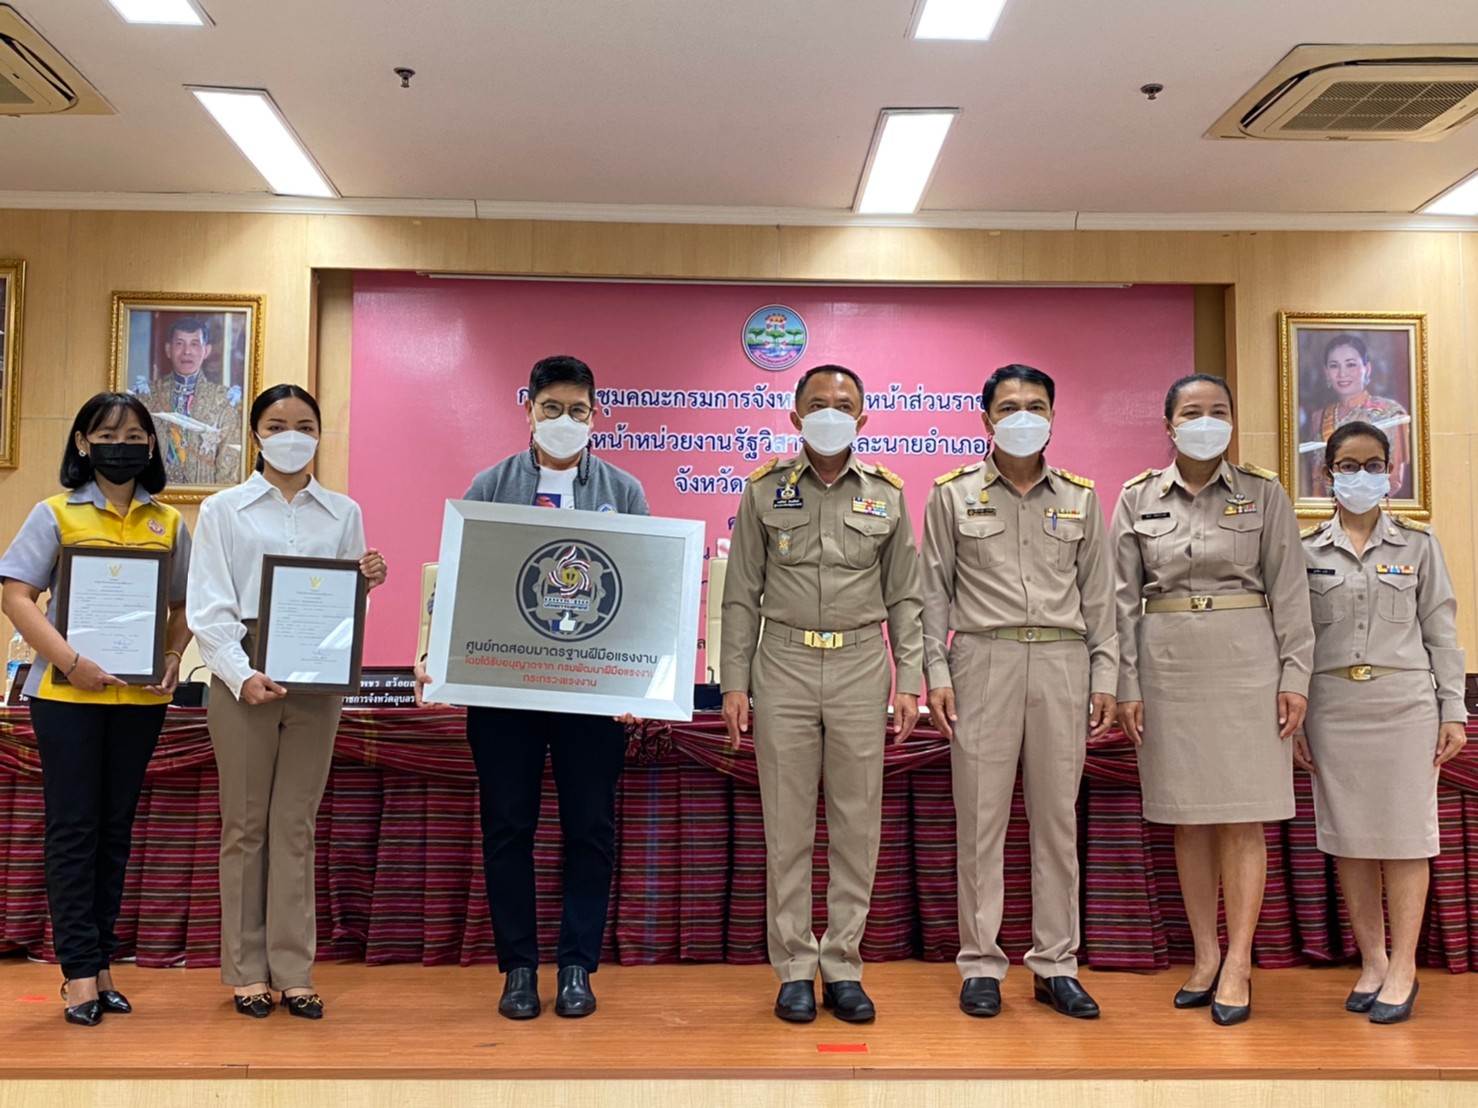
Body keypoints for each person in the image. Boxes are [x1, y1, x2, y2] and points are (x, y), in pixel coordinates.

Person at [414, 354, 648, 1020]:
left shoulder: (624, 491)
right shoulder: (490, 485)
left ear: (595, 416)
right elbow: (459, 586)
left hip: (591, 696)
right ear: (528, 410)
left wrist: (640, 681)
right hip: (505, 692)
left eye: (579, 410)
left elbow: (640, 593)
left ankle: (576, 967)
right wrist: (435, 653)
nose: (565, 421)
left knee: (590, 830)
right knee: (508, 828)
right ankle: (518, 968)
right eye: (552, 409)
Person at [721, 364, 924, 1025]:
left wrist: (911, 682)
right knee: (786, 826)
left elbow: (906, 598)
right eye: (818, 404)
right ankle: (793, 969)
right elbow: (740, 593)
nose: (831, 413)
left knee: (856, 824)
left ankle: (842, 965)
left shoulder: (888, 495)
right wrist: (735, 683)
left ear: (863, 420)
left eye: (844, 405)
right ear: (794, 416)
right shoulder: (764, 492)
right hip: (781, 663)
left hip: (863, 664)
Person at [1112, 373, 1313, 1026]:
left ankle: (1240, 961)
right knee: (1187, 817)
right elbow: (1116, 600)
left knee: (1242, 818)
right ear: (1169, 426)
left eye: (1218, 410)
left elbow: (1290, 591)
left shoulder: (1264, 492)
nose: (1206, 421)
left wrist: (1295, 676)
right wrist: (1125, 683)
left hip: (1245, 663)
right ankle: (1204, 955)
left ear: (1234, 420)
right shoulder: (1137, 496)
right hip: (1166, 661)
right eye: (1192, 412)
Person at [922, 364, 1117, 1021]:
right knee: (980, 823)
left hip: (1063, 661)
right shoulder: (951, 494)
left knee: (1057, 825)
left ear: (1054, 416)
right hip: (984, 658)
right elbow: (930, 597)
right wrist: (937, 676)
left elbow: (1103, 600)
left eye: (1036, 405)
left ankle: (1056, 964)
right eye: (1009, 406)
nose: (1023, 415)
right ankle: (981, 964)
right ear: (986, 420)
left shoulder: (1083, 498)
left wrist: (1107, 677)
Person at [187, 384, 386, 1020]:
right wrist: (240, 672)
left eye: (304, 424)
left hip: (315, 678)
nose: (291, 434)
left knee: (295, 825)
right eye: (277, 424)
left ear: (320, 434)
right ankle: (247, 972)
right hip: (241, 670)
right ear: (255, 435)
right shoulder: (224, 509)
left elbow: (341, 607)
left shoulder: (343, 512)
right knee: (245, 825)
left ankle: (294, 969)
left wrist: (366, 585)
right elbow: (208, 604)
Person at [0, 392, 192, 1026]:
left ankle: (102, 963)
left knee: (115, 831)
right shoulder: (54, 513)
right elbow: (18, 595)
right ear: (83, 442)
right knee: (75, 830)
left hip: (138, 698)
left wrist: (171, 653)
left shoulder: (168, 521)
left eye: (137, 434)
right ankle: (77, 972)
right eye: (108, 432)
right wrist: (69, 661)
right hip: (66, 697)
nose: (123, 443)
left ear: (151, 447)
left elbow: (185, 603)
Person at [1296, 420, 1466, 1025]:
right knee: (1350, 841)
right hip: (1333, 707)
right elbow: (1295, 641)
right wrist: (1298, 718)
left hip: (1404, 706)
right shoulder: (1304, 550)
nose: (1360, 476)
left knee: (1404, 838)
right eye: (1348, 465)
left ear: (1390, 474)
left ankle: (1404, 967)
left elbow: (1442, 636)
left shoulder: (1418, 546)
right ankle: (1372, 959)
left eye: (1373, 465)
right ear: (1327, 473)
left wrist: (1454, 710)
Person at [137, 317, 243, 487]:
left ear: (206, 351)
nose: (187, 351)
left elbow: (230, 463)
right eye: (179, 343)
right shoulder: (147, 397)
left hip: (204, 502)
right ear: (168, 349)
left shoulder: (223, 401)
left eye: (194, 344)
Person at [1309, 333, 1410, 499]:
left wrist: (1358, 510)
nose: (1342, 373)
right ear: (1326, 372)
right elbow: (1317, 482)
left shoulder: (1390, 413)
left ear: (1367, 368)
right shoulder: (1318, 417)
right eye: (1334, 366)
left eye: (1351, 365)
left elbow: (1394, 480)